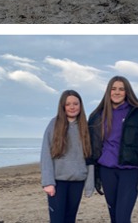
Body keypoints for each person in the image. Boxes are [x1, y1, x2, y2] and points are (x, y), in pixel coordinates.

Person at [88, 76, 138, 223]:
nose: (117, 92)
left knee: (122, 218)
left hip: (129, 171)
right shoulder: (97, 116)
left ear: (127, 92)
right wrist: (96, 174)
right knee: (114, 217)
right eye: (113, 89)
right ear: (108, 91)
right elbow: (92, 147)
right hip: (107, 171)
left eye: (121, 89)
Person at [41, 90, 95, 223]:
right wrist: (48, 182)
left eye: (75, 103)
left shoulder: (86, 127)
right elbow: (45, 154)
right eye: (68, 104)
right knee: (57, 219)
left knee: (70, 219)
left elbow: (90, 159)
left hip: (77, 181)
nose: (72, 107)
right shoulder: (54, 124)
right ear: (62, 106)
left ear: (80, 106)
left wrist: (89, 185)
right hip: (58, 182)